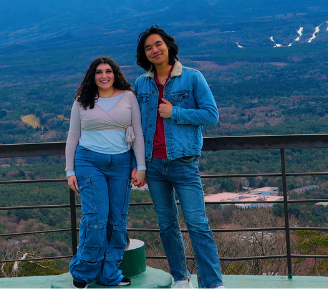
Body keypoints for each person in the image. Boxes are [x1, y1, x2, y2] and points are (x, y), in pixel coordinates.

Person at [133, 26, 225, 289]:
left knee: (197, 224)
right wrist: (137, 165)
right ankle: (181, 278)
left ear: (168, 46)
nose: (155, 49)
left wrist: (176, 112)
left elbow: (211, 115)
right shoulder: (142, 83)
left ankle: (212, 283)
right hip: (153, 166)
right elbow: (137, 128)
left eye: (158, 44)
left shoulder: (193, 78)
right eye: (149, 47)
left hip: (184, 163)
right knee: (167, 226)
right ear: (145, 54)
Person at [65, 56, 146, 288]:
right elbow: (73, 136)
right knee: (96, 219)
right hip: (89, 161)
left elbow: (138, 134)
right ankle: (83, 271)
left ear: (115, 73)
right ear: (92, 75)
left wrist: (140, 166)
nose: (104, 76)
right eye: (98, 72)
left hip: (122, 162)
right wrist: (69, 170)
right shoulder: (82, 100)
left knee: (117, 220)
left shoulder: (128, 97)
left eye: (108, 71)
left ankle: (109, 274)